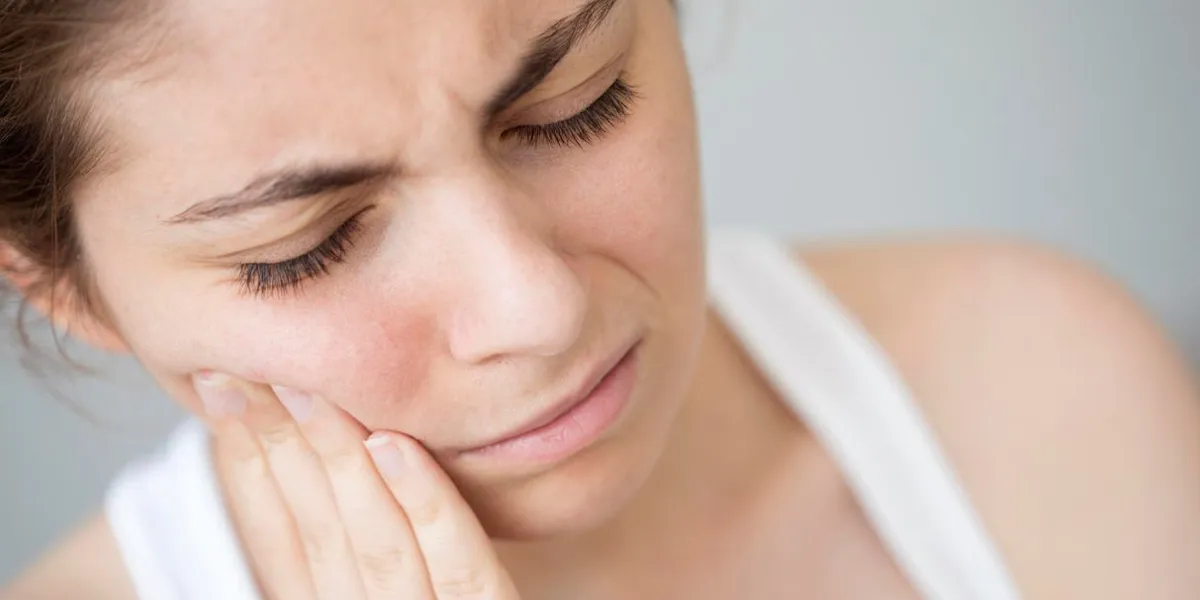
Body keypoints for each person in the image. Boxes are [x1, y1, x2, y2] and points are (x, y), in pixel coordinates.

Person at [1, 0, 1197, 598]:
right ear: (69, 290)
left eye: (577, 103)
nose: (538, 307)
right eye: (308, 246)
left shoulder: (1035, 387)